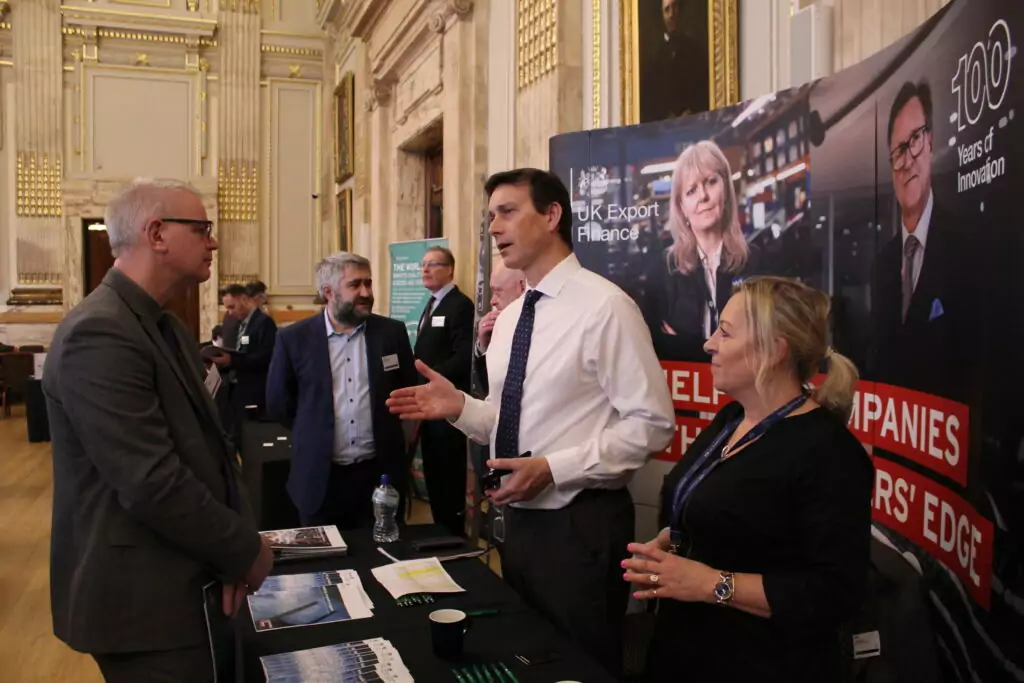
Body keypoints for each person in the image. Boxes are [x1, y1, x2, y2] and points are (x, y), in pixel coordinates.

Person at [387, 168, 675, 677]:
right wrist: (458, 407)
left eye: (507, 211)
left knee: (579, 664)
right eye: (490, 216)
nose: (494, 227)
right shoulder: (515, 316)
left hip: (579, 527)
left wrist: (554, 468)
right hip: (518, 526)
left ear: (552, 215)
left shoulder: (606, 307)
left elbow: (652, 423)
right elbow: (505, 417)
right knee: (527, 657)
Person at [42, 178, 273, 683]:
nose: (213, 242)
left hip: (188, 577)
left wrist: (233, 550)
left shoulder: (159, 324)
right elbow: (151, 480)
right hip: (143, 600)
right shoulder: (99, 332)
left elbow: (213, 451)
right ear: (157, 234)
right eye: (203, 229)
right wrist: (243, 550)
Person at [622, 276, 874, 683]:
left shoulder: (829, 454)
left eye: (725, 332)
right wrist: (678, 537)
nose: (708, 344)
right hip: (686, 650)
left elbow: (834, 593)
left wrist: (712, 585)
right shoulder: (732, 419)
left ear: (774, 351)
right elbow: (737, 514)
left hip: (765, 663)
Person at [266, 252, 419, 530]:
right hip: (320, 479)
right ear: (329, 292)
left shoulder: (391, 333)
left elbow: (408, 390)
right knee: (324, 566)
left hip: (379, 477)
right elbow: (279, 403)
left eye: (369, 283)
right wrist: (315, 427)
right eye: (355, 285)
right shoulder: (293, 339)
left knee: (382, 560)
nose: (366, 292)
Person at [869, 79, 976, 403]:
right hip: (894, 438)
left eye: (914, 140)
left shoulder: (967, 247)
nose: (907, 161)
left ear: (930, 142)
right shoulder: (883, 264)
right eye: (897, 151)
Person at [645, 139, 751, 361]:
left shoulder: (756, 261)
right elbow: (656, 348)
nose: (703, 196)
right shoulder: (663, 270)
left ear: (726, 189)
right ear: (681, 207)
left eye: (711, 182)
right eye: (691, 190)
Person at [412, 245, 475, 536]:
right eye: (423, 265)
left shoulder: (459, 305)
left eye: (433, 264)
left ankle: (452, 534)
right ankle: (439, 529)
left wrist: (432, 381)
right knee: (434, 470)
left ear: (449, 270)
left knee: (448, 472)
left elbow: (463, 356)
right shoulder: (432, 303)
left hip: (448, 403)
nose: (425, 270)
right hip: (429, 402)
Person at [210, 283, 277, 418]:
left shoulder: (264, 322)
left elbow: (268, 356)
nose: (230, 312)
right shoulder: (237, 322)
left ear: (244, 300)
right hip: (236, 388)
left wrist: (232, 360)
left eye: (232, 307)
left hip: (256, 392)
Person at [473, 260, 526, 394]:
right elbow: (490, 392)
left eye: (498, 292)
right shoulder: (500, 328)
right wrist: (485, 346)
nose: (493, 301)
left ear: (522, 287)